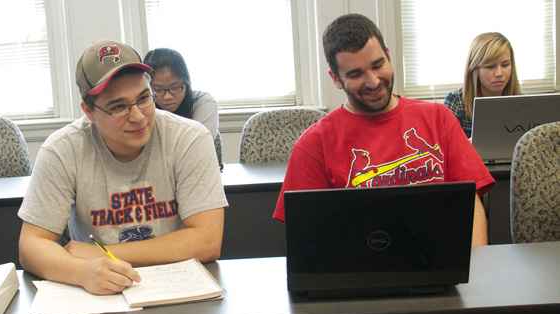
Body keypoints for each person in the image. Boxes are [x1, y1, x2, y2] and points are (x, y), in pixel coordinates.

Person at [18, 40, 227, 295]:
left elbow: (207, 241)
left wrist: (101, 254)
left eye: (144, 98)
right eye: (118, 107)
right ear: (89, 111)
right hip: (99, 291)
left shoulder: (190, 138)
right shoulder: (62, 150)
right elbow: (31, 245)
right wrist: (82, 272)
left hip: (180, 285)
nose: (138, 116)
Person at [272, 13, 495, 246]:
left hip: (438, 269)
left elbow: (471, 203)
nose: (373, 82)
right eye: (356, 74)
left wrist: (477, 271)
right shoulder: (314, 144)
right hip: (355, 276)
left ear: (388, 55)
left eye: (378, 65)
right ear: (336, 79)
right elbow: (307, 236)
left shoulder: (439, 118)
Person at [444, 32, 522, 138]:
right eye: (490, 66)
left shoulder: (523, 103)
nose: (499, 73)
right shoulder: (456, 101)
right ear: (475, 69)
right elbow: (444, 148)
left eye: (505, 65)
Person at [143, 48, 219, 140]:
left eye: (175, 87)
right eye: (158, 90)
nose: (168, 96)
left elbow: (201, 143)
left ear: (186, 83)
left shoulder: (203, 102)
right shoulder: (142, 107)